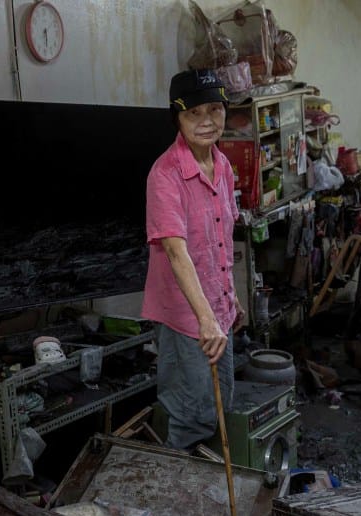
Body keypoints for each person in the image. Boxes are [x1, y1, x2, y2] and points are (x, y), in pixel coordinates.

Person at [142, 69, 245, 451]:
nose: (206, 121)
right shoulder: (165, 174)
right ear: (178, 118)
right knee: (191, 412)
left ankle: (206, 477)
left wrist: (230, 298)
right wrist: (206, 319)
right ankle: (180, 479)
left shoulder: (223, 167)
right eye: (194, 113)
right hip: (187, 316)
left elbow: (220, 240)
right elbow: (176, 250)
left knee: (220, 402)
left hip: (218, 309)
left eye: (215, 110)